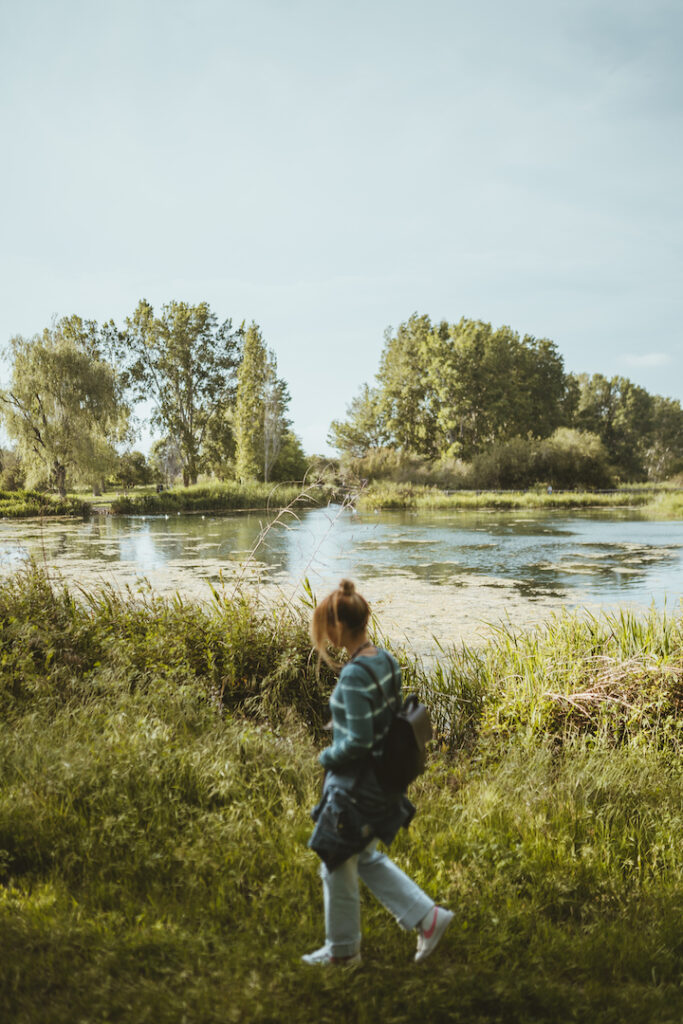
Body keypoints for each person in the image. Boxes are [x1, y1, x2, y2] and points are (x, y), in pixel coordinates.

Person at [303, 578, 453, 967]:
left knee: (335, 858)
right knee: (362, 855)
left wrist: (324, 758)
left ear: (337, 629)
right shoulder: (383, 658)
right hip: (382, 779)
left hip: (355, 785)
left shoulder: (353, 675)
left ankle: (343, 953)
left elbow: (358, 743)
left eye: (326, 627)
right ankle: (427, 917)